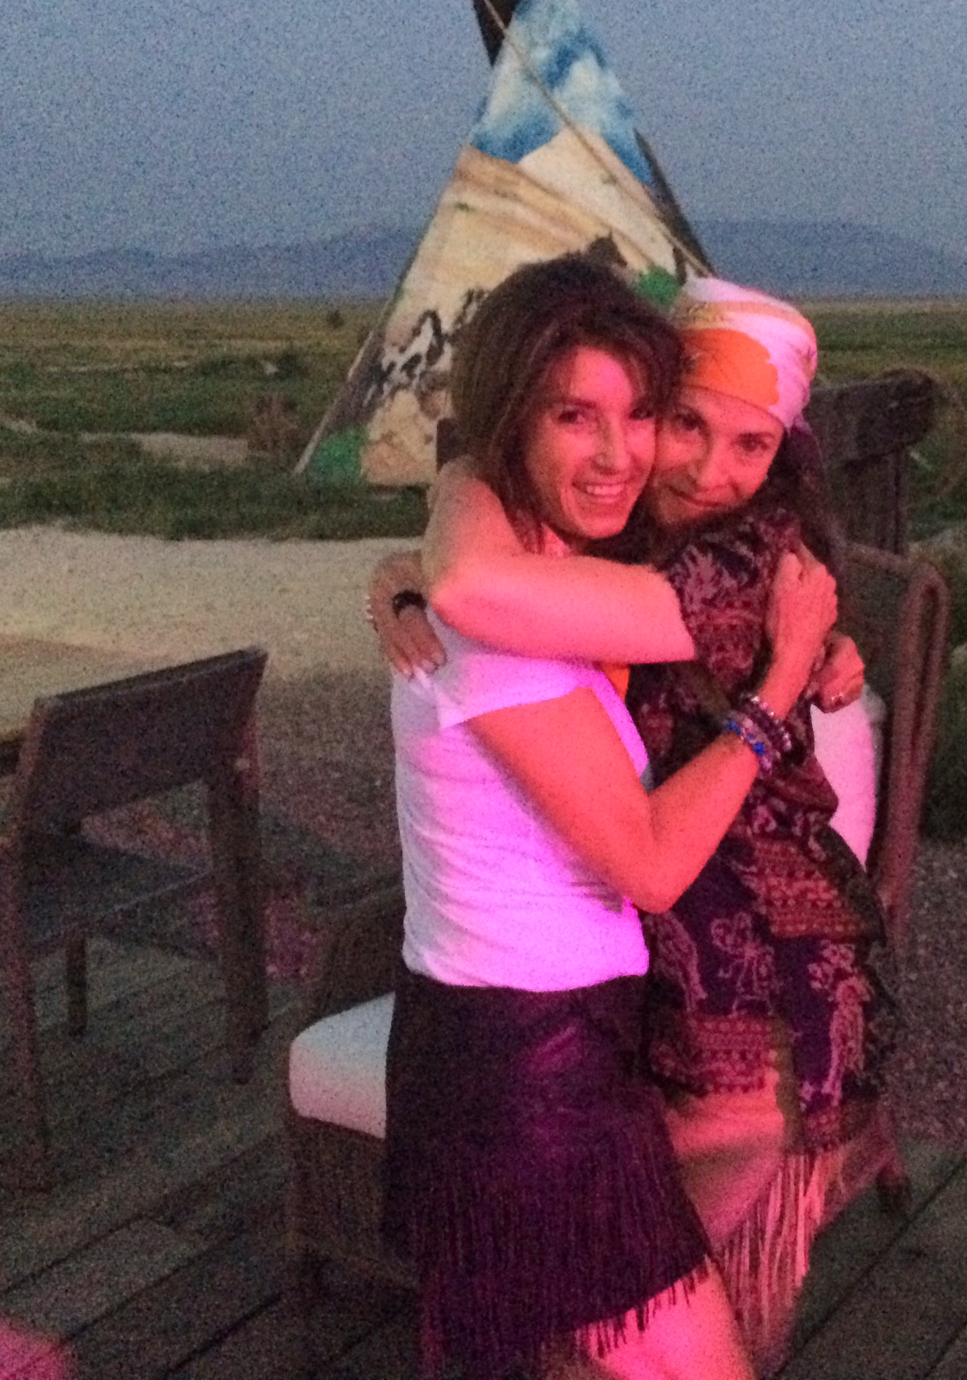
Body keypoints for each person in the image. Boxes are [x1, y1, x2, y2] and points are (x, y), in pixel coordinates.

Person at [372, 275, 896, 1372]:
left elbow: (478, 583)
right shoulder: (540, 587)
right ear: (515, 420)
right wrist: (418, 564)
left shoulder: (720, 560)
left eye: (638, 415)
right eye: (578, 415)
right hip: (549, 1062)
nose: (680, 464)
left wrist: (801, 658)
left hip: (684, 1014)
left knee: (617, 1342)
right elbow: (478, 592)